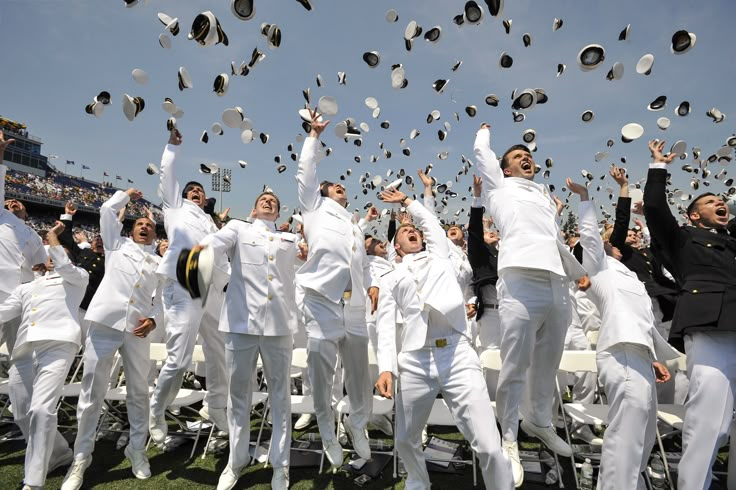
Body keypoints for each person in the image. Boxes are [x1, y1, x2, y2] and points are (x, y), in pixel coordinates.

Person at [375, 187, 514, 490]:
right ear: (396, 245)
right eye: (405, 231)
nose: (412, 232)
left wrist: (408, 202)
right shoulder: (389, 278)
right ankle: (417, 482)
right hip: (415, 360)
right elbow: (385, 325)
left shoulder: (440, 255)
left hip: (457, 355)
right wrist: (386, 367)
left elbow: (430, 223)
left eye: (415, 230)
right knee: (405, 438)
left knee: (489, 443)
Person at [473, 123, 586, 486]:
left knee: (548, 362)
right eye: (518, 157)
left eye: (529, 156)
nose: (527, 159)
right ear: (504, 168)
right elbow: (482, 156)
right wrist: (483, 133)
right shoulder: (499, 187)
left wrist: (573, 269)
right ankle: (508, 435)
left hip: (556, 280)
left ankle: (538, 419)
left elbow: (551, 236)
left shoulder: (542, 193)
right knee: (516, 363)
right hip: (521, 278)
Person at [567, 177, 678, 489]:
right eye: (606, 244)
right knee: (627, 430)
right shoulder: (598, 269)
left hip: (639, 352)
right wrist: (585, 197)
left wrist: (654, 357)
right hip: (620, 352)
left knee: (642, 429)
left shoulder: (628, 272)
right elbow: (589, 237)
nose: (612, 244)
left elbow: (640, 319)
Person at [643, 139, 736, 489]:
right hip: (711, 328)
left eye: (722, 200)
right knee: (711, 422)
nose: (720, 203)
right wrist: (658, 167)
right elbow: (653, 207)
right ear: (694, 214)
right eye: (711, 202)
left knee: (724, 426)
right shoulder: (682, 239)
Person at [61, 188, 163, 490]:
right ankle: (81, 457)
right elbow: (106, 211)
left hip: (137, 330)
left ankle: (137, 449)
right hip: (105, 323)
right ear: (130, 231)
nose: (144, 227)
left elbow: (166, 299)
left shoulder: (159, 262)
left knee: (139, 392)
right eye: (139, 225)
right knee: (92, 391)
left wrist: (155, 318)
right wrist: (126, 196)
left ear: (155, 235)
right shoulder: (116, 246)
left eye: (150, 226)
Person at [199, 191, 299, 490]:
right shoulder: (238, 228)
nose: (269, 201)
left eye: (274, 201)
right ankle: (235, 461)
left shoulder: (290, 240)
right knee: (238, 397)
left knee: (280, 398)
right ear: (254, 209)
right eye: (263, 199)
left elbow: (307, 266)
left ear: (279, 214)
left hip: (279, 327)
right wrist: (197, 252)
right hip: (241, 324)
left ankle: (281, 465)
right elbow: (213, 244)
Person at [296, 108, 372, 468]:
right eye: (335, 186)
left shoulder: (354, 224)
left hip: (354, 305)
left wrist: (369, 289)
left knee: (359, 374)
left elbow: (362, 264)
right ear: (323, 193)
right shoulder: (314, 207)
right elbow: (306, 174)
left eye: (343, 187)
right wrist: (313, 136)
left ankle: (357, 423)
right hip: (322, 301)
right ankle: (327, 428)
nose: (342, 188)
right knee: (322, 374)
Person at [149, 129, 229, 444]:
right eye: (191, 189)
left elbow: (223, 258)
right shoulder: (174, 208)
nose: (195, 192)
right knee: (180, 358)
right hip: (183, 276)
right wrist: (172, 147)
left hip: (209, 283)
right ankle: (157, 408)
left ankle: (216, 405)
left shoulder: (211, 223)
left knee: (219, 349)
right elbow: (167, 175)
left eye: (199, 191)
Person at [0, 221, 89, 490]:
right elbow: (4, 312)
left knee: (41, 409)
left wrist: (52, 237)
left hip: (58, 346)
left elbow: (64, 265)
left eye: (58, 253)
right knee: (21, 413)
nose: (53, 257)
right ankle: (60, 452)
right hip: (25, 350)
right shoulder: (27, 287)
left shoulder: (77, 277)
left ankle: (33, 482)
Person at [0, 130, 48, 353]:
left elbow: (42, 268)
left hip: (23, 297)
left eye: (17, 202)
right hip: (0, 291)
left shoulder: (35, 235)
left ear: (27, 212)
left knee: (20, 352)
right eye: (8, 202)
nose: (13, 203)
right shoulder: (2, 218)